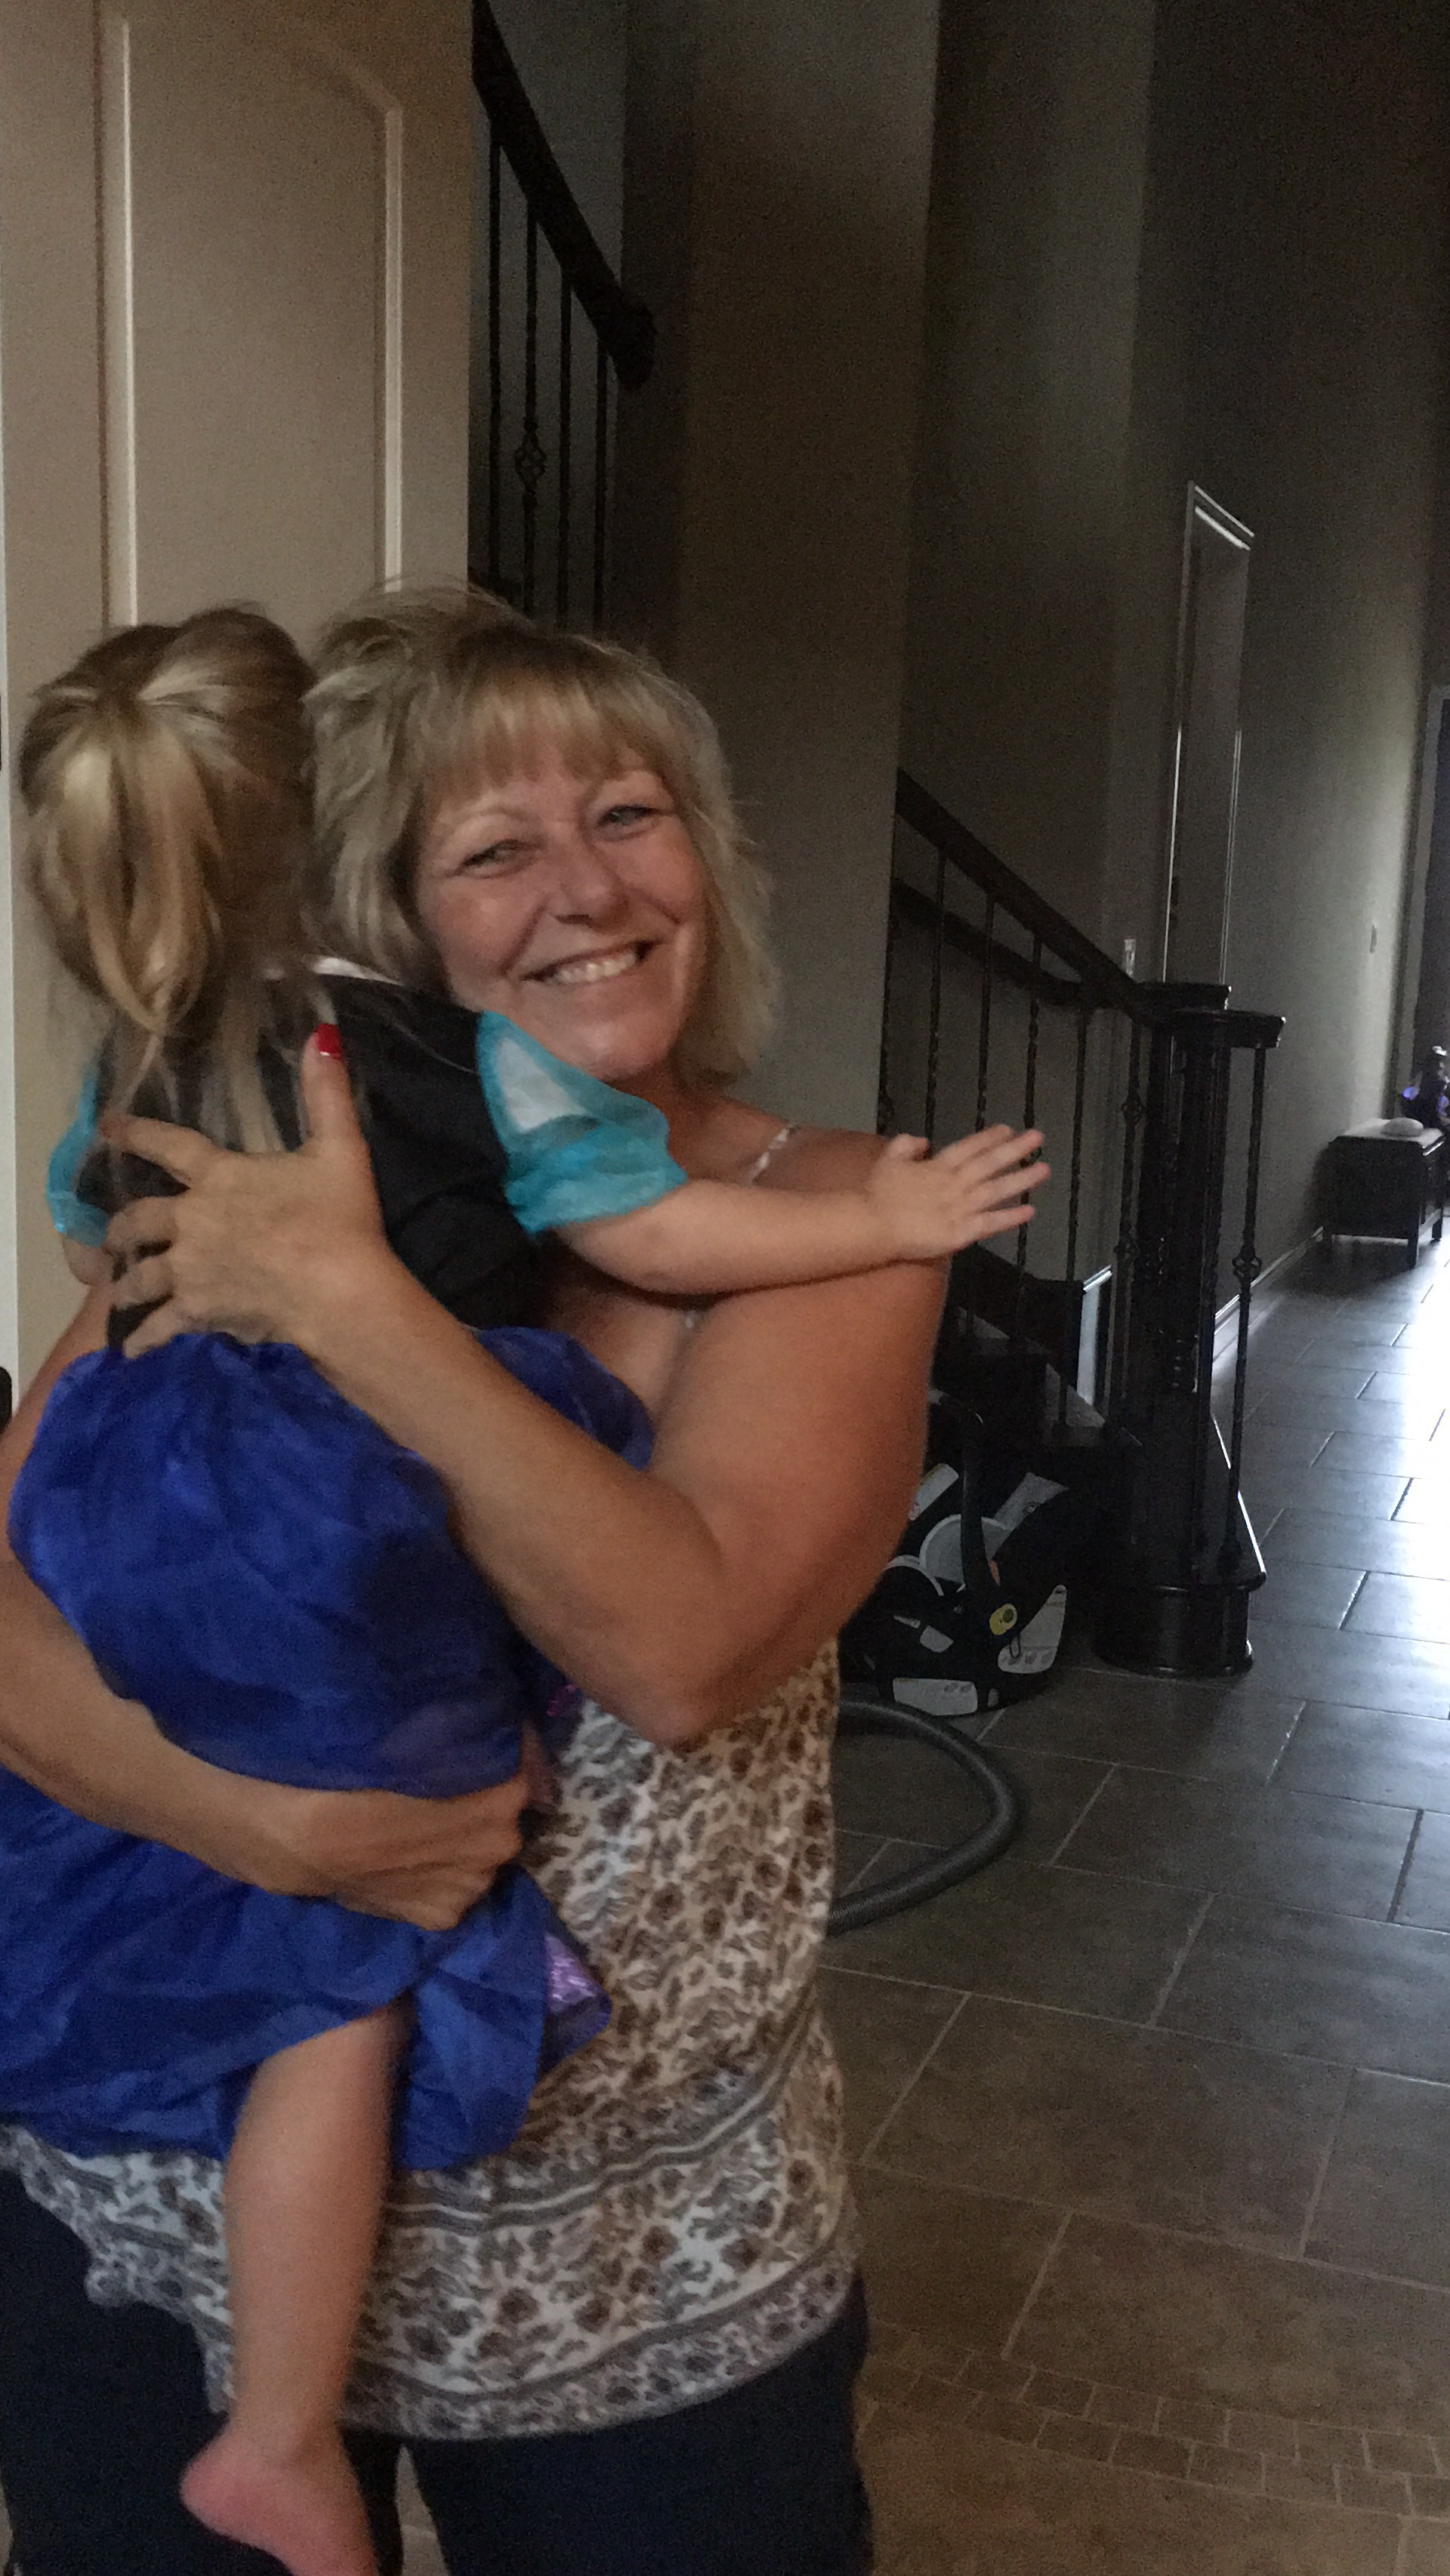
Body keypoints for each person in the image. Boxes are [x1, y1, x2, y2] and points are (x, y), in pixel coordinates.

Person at [0, 593, 1047, 2576]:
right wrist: (268, 1828)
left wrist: (353, 1304)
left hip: (633, 2288)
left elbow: (680, 1646)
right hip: (162, 2209)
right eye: (494, 847)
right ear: (370, 912)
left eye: (632, 814)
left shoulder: (833, 1221)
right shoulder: (230, 1165)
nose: (592, 888)